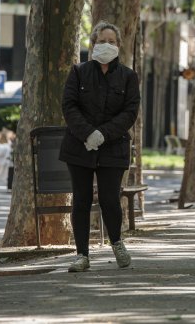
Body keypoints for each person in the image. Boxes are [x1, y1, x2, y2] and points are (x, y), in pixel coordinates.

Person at [60, 21, 141, 272]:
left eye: (112, 41)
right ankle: (82, 255)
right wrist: (88, 133)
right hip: (80, 146)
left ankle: (117, 242)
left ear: (119, 46)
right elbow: (69, 106)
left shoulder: (128, 76)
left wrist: (103, 134)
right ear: (93, 44)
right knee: (81, 200)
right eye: (102, 41)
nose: (107, 45)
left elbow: (130, 112)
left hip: (113, 147)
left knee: (110, 199)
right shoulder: (79, 72)